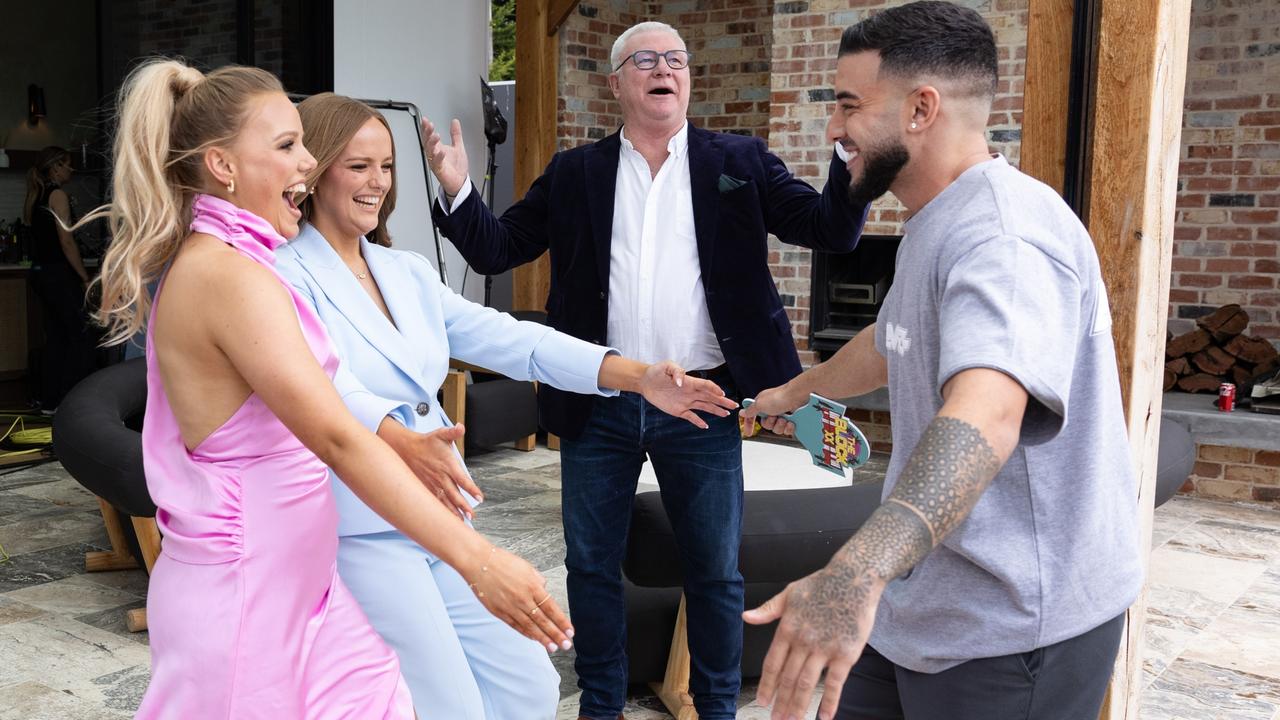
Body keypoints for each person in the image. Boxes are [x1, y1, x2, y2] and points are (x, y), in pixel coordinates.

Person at [88, 58, 580, 719]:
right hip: (246, 601)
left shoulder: (242, 267)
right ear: (223, 166)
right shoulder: (226, 277)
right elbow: (338, 438)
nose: (304, 164)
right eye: (287, 146)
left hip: (307, 589)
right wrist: (478, 559)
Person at [425, 20, 868, 719]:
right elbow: (497, 248)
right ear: (618, 82)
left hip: (704, 400)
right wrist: (455, 189)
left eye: (676, 60)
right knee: (592, 566)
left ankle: (718, 708)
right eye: (646, 61)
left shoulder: (741, 161)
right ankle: (602, 705)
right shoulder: (578, 174)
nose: (665, 69)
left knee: (715, 572)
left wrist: (851, 165)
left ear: (687, 79)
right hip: (599, 402)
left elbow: (829, 229)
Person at [275, 92, 738, 720]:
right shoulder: (281, 273)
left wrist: (637, 377)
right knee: (451, 704)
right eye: (358, 166)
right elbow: (320, 384)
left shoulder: (404, 271)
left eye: (385, 166)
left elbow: (518, 340)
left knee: (528, 685)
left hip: (441, 516)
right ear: (316, 168)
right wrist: (393, 433)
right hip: (362, 526)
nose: (377, 183)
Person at [738, 3, 1144, 719]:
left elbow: (987, 415)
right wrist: (792, 394)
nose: (833, 129)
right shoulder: (937, 218)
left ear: (921, 109)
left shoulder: (1005, 238)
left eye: (849, 105)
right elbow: (889, 340)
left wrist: (856, 572)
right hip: (920, 602)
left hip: (1014, 627)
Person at [24, 146, 95, 412]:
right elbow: (66, 242)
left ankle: (50, 402)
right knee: (81, 337)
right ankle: (72, 405)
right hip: (57, 275)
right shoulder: (58, 195)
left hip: (40, 274)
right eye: (67, 164)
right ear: (55, 167)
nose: (71, 169)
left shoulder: (35, 195)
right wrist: (83, 276)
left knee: (56, 338)